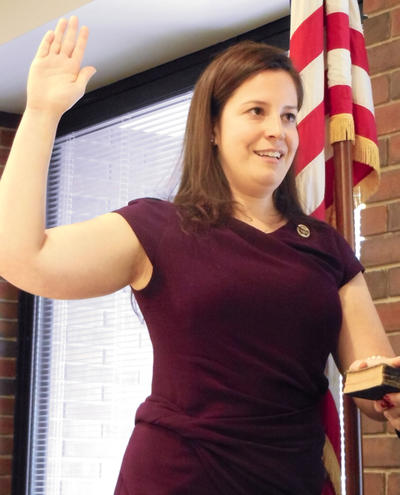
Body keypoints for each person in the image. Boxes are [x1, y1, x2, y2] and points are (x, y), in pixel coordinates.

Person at [0, 15, 399, 495]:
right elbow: (23, 257)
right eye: (256, 111)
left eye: (289, 115)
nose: (278, 130)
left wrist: (390, 395)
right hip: (176, 479)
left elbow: (374, 382)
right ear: (212, 127)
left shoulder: (327, 246)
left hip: (292, 481)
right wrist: (42, 112)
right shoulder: (156, 227)